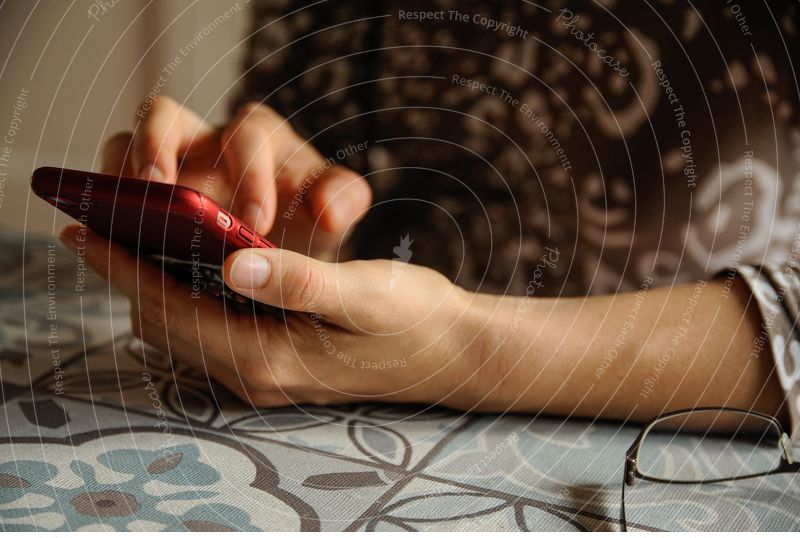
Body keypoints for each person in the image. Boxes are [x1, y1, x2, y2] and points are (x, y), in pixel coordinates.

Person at [60, 1, 800, 436]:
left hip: (681, 453)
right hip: (324, 416)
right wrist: (267, 203)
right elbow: (304, 121)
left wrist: (465, 350)